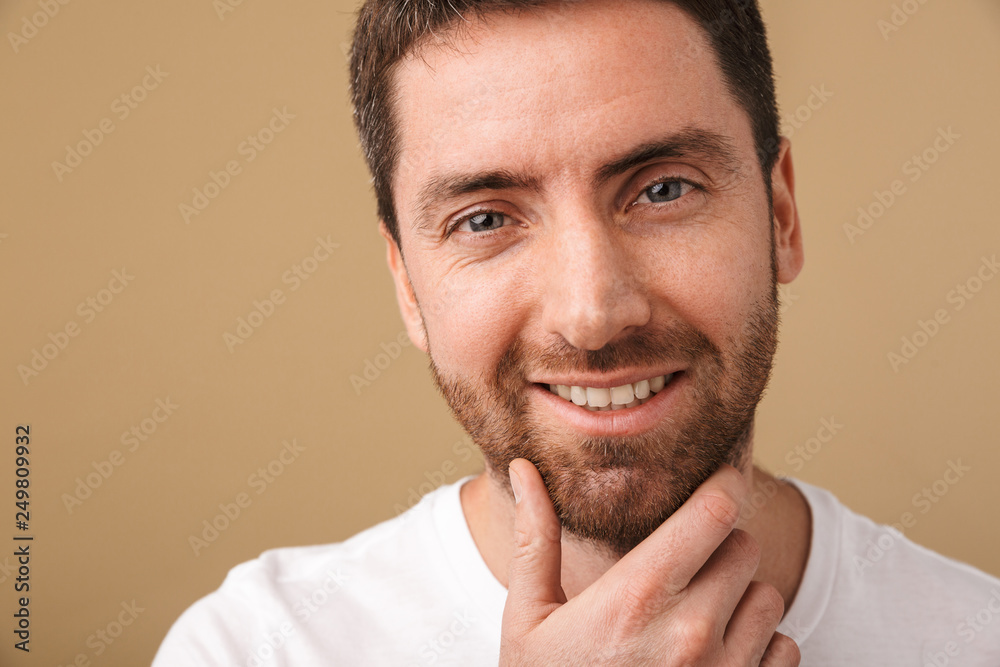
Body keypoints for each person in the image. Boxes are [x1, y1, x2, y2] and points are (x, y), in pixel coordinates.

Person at [154, 1, 1000, 664]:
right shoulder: (252, 647)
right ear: (407, 282)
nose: (592, 315)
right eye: (486, 219)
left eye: (663, 189)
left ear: (780, 214)